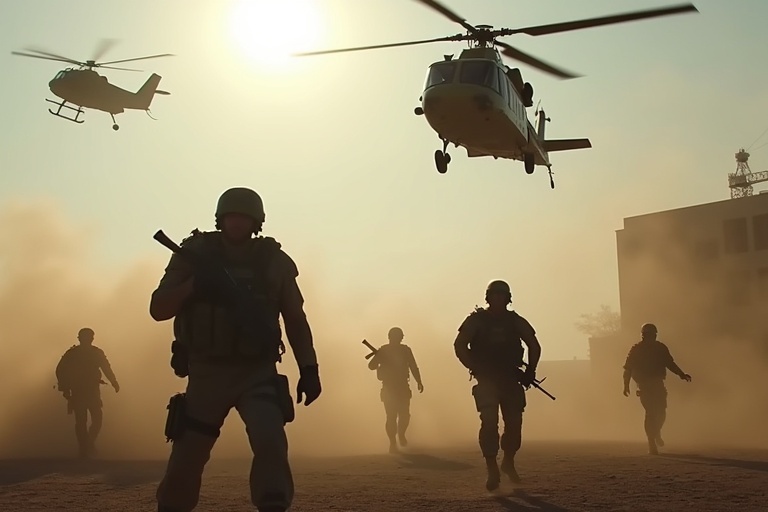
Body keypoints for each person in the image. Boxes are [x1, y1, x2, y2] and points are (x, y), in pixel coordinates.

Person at [149, 187, 322, 512]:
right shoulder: (195, 254)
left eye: (244, 217)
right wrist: (194, 286)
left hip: (257, 373)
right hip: (206, 373)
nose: (237, 223)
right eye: (231, 217)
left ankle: (273, 504)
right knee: (187, 456)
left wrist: (309, 369)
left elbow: (296, 319)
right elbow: (158, 307)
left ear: (256, 222)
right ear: (220, 219)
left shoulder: (275, 262)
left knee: (271, 441)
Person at [453, 280, 541, 491]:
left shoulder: (515, 321)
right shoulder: (476, 321)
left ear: (508, 298)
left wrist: (530, 371)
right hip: (487, 379)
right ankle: (492, 469)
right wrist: (473, 366)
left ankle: (508, 461)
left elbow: (533, 344)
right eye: (495, 295)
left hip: (511, 379)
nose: (498, 299)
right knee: (489, 423)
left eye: (502, 295)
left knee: (514, 425)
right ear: (488, 297)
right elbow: (459, 345)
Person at [623, 322, 691, 455]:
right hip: (644, 386)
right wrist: (626, 385)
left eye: (651, 335)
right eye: (646, 335)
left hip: (658, 384)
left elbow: (670, 364)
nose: (648, 337)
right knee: (650, 413)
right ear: (643, 335)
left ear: (655, 335)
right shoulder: (636, 349)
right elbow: (628, 368)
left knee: (661, 413)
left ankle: (656, 432)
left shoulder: (660, 348)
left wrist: (681, 374)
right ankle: (651, 442)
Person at [55, 327, 120, 459]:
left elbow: (106, 368)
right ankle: (84, 448)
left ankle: (88, 444)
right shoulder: (72, 354)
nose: (87, 339)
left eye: (89, 337)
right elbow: (60, 370)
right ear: (79, 338)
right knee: (81, 421)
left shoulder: (96, 353)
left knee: (97, 419)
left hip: (92, 391)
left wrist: (114, 381)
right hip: (78, 391)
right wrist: (65, 388)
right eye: (85, 337)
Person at [367, 326, 424, 453]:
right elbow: (371, 366)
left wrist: (419, 381)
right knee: (391, 416)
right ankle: (393, 443)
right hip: (389, 388)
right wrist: (378, 358)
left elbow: (413, 366)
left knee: (404, 415)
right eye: (399, 336)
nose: (400, 338)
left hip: (403, 387)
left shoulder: (405, 350)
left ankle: (401, 434)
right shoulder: (383, 350)